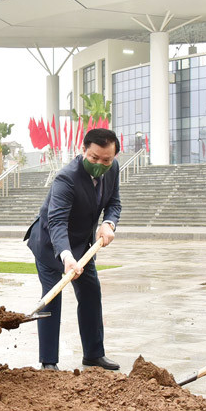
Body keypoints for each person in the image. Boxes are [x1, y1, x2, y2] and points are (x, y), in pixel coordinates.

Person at [24, 128, 122, 371]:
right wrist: (66, 256)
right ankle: (49, 362)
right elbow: (57, 222)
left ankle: (93, 354)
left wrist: (108, 223)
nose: (100, 164)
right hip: (49, 244)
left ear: (114, 157)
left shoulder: (113, 170)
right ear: (83, 151)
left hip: (83, 245)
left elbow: (114, 203)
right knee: (51, 297)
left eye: (106, 160)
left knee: (91, 293)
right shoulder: (66, 178)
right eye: (94, 158)